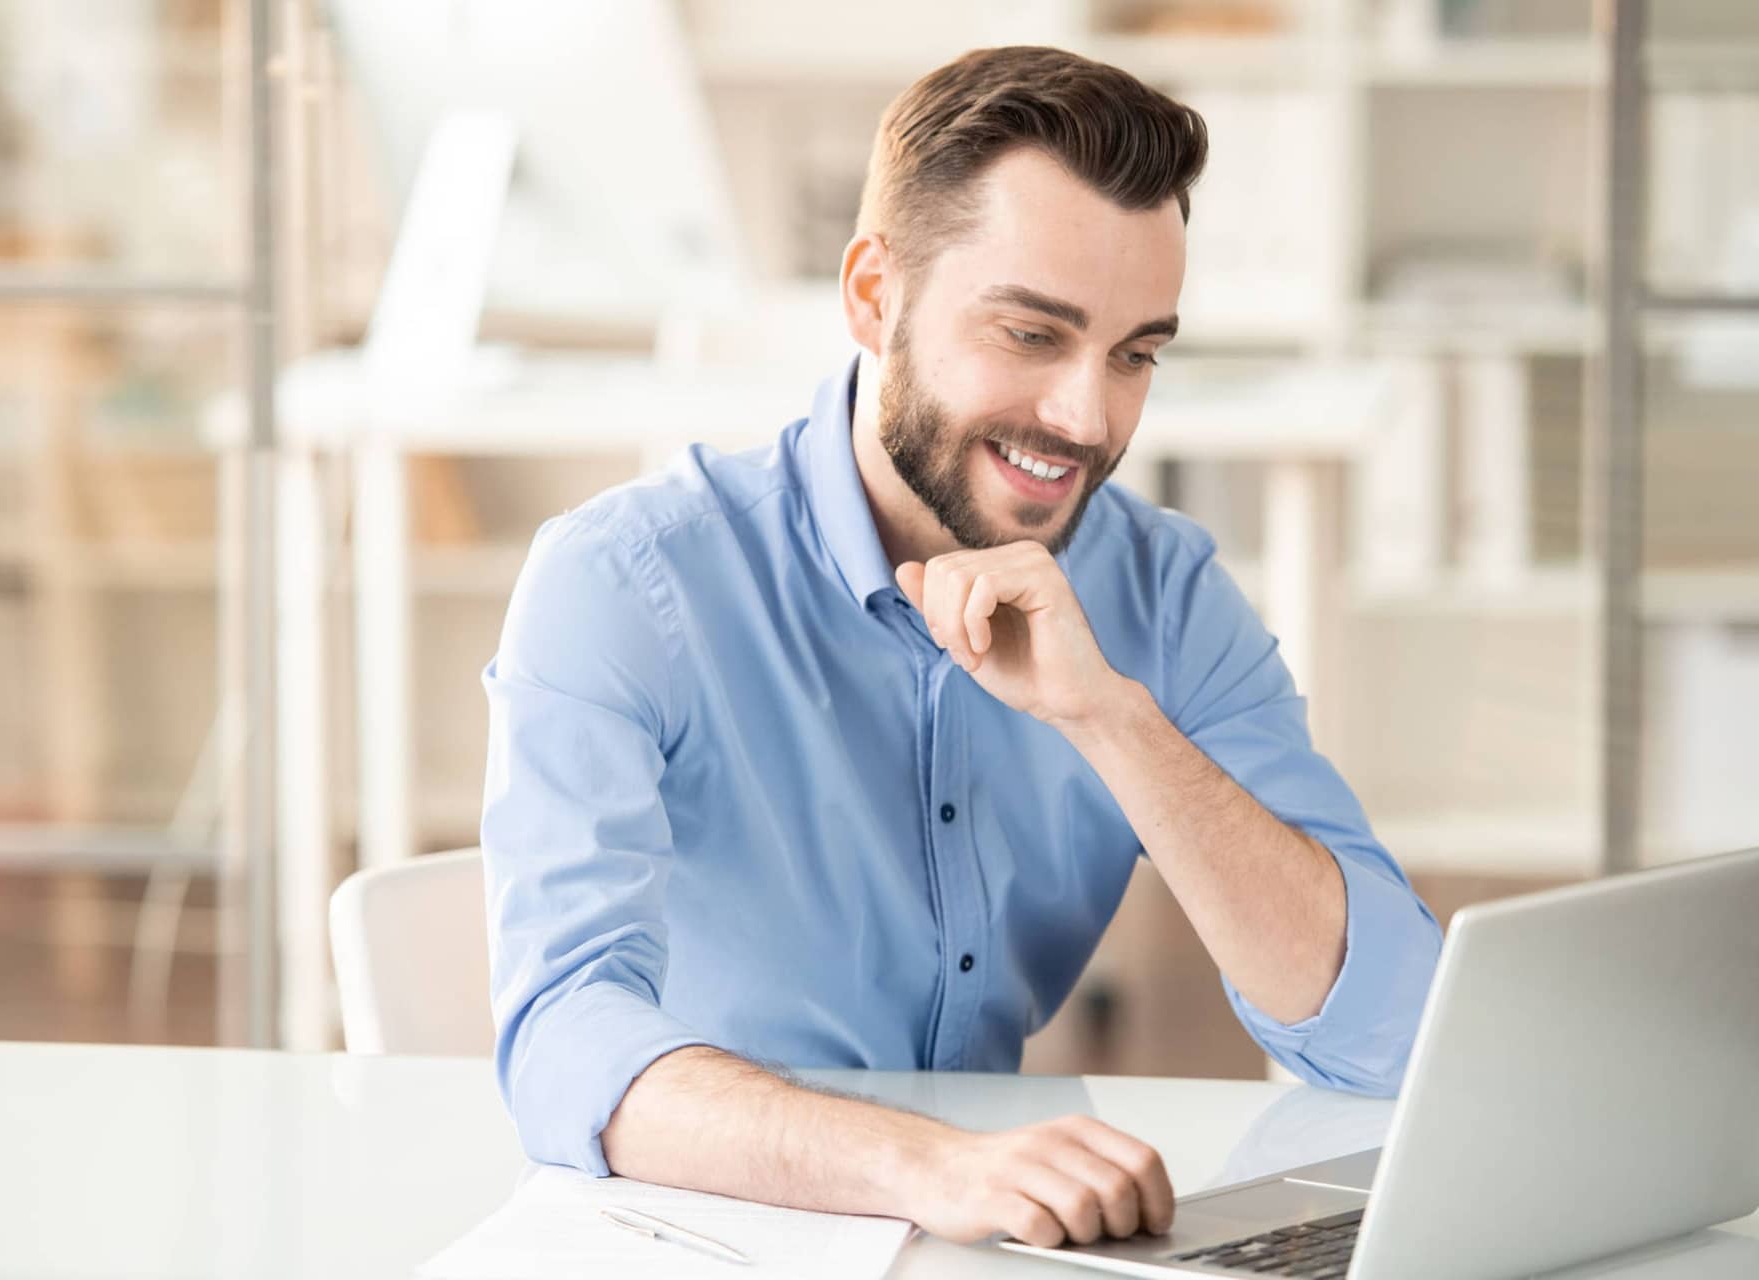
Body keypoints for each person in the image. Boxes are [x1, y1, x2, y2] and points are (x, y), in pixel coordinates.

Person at [479, 44, 1442, 1250]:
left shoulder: (1163, 591)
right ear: (873, 296)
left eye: (1135, 352)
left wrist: (1111, 718)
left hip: (977, 1239)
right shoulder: (627, 581)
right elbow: (565, 1042)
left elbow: (1396, 1031)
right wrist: (923, 1166)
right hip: (695, 1232)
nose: (1088, 419)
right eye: (1032, 334)